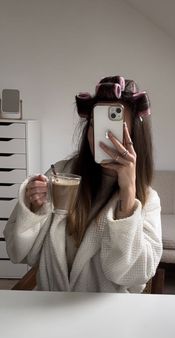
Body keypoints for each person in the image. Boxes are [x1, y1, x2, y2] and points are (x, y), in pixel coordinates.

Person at [4, 75, 163, 292]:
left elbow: (133, 277)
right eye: (95, 125)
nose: (103, 136)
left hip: (104, 318)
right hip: (49, 308)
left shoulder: (146, 200)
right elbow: (19, 253)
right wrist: (33, 209)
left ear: (135, 135)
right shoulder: (60, 176)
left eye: (115, 129)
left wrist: (127, 195)